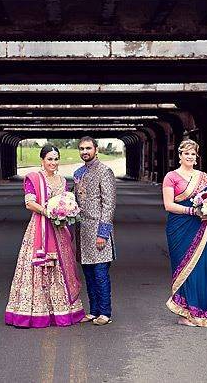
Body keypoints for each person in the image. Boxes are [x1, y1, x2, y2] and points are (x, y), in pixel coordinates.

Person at [5, 145, 86, 328]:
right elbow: (29, 203)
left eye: (56, 159)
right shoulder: (34, 178)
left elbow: (66, 201)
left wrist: (66, 212)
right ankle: (36, 312)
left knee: (61, 268)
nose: (53, 162)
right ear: (42, 160)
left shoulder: (62, 181)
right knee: (38, 269)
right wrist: (47, 211)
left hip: (59, 229)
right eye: (49, 159)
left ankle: (61, 311)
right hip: (40, 227)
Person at [162, 140, 207, 327]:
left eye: (193, 153)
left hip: (200, 227)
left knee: (202, 266)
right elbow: (169, 205)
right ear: (180, 155)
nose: (190, 156)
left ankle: (204, 310)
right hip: (179, 226)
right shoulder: (171, 177)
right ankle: (186, 313)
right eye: (186, 153)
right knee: (183, 267)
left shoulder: (205, 178)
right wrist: (192, 211)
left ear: (196, 156)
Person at [73, 136, 116, 326]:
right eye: (82, 149)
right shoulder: (78, 172)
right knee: (88, 273)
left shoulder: (104, 171)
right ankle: (94, 310)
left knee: (100, 273)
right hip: (82, 231)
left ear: (96, 149)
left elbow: (109, 204)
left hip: (99, 231)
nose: (85, 152)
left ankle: (105, 312)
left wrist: (103, 233)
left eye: (88, 148)